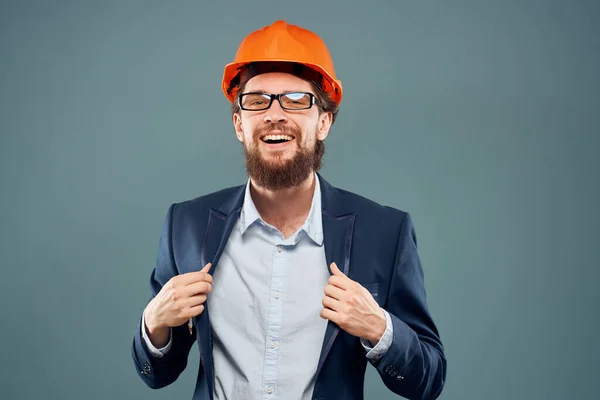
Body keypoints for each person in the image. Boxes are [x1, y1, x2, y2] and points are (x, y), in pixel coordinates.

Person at [131, 19, 446, 400]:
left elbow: (428, 380)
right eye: (257, 100)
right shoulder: (187, 224)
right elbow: (157, 374)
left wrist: (379, 329)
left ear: (324, 121)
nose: (274, 114)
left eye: (297, 100)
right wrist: (154, 323)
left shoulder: (385, 232)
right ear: (239, 124)